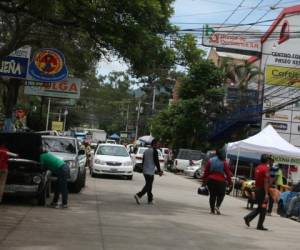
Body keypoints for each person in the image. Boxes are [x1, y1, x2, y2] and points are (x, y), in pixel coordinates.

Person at [202, 148, 233, 215]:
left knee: (212, 195)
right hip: (221, 181)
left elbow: (206, 171)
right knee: (221, 194)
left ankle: (212, 210)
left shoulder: (211, 160)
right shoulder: (224, 162)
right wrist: (230, 183)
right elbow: (227, 173)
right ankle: (217, 206)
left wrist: (204, 181)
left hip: (211, 180)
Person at [244, 154, 270, 230]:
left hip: (257, 189)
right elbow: (265, 181)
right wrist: (266, 193)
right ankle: (259, 225)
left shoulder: (257, 167)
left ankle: (249, 218)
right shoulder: (266, 168)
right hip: (262, 190)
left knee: (260, 207)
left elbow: (257, 179)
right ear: (267, 160)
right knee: (263, 208)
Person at [134, 139, 163, 205]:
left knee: (149, 185)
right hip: (150, 171)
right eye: (158, 144)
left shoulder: (146, 151)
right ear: (154, 144)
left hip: (145, 170)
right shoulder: (155, 151)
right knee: (148, 185)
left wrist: (143, 169)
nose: (159, 145)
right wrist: (159, 171)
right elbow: (156, 162)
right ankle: (138, 195)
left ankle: (150, 200)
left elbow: (143, 161)